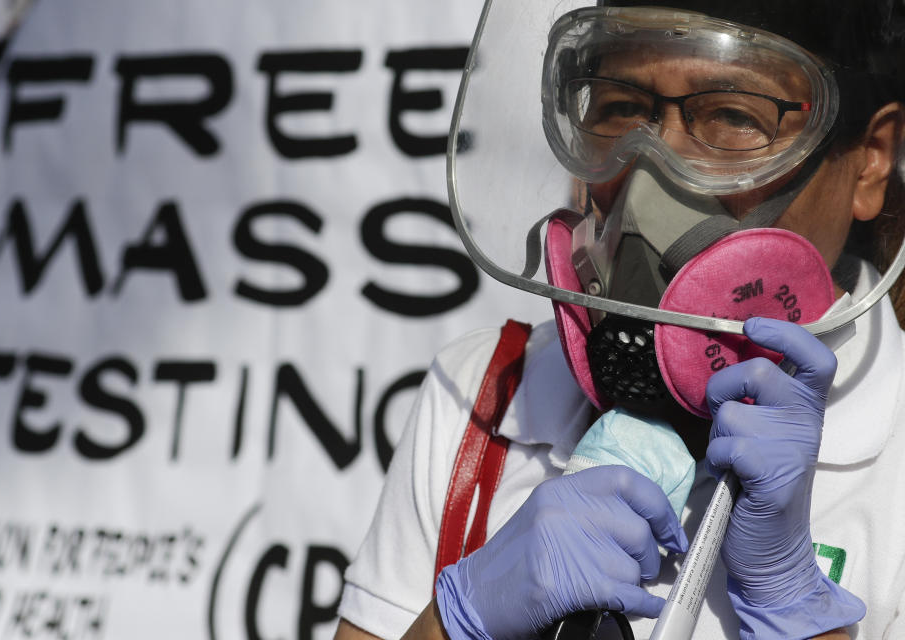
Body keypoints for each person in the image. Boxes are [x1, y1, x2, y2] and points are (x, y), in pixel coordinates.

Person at [335, 0, 905, 638]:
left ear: (871, 160)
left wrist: (793, 603)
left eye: (734, 117)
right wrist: (459, 617)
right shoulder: (484, 393)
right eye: (621, 107)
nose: (651, 175)